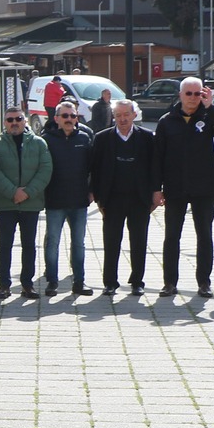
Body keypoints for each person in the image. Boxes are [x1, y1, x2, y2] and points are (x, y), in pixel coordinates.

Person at [153, 77, 214, 296]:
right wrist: (156, 188)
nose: (193, 98)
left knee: (204, 235)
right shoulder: (167, 121)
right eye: (189, 94)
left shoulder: (207, 117)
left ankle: (204, 282)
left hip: (203, 187)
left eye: (198, 94)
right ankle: (170, 282)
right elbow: (158, 157)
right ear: (180, 95)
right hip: (175, 187)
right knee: (172, 236)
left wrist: (211, 107)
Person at [89, 100, 158, 296]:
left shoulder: (147, 137)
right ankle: (110, 282)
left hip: (139, 198)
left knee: (139, 241)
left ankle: (137, 281)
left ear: (134, 115)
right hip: (112, 199)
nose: (122, 119)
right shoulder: (102, 138)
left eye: (126, 114)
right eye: (118, 115)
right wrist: (98, 197)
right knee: (111, 242)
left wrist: (155, 192)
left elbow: (154, 167)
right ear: (113, 116)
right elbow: (95, 169)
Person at [0, 109, 51, 299]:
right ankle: (4, 285)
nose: (14, 122)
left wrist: (27, 193)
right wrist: (13, 192)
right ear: (4, 122)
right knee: (4, 245)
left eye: (18, 119)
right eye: (10, 120)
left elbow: (46, 169)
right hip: (6, 203)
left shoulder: (39, 143)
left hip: (31, 203)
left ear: (25, 121)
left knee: (29, 245)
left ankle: (27, 284)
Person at [41, 101, 95, 297]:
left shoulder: (85, 137)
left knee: (79, 243)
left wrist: (92, 190)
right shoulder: (46, 139)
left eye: (73, 116)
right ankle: (52, 282)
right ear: (56, 119)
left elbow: (93, 167)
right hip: (55, 201)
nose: (70, 120)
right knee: (52, 242)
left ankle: (79, 281)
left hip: (79, 200)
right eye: (65, 116)